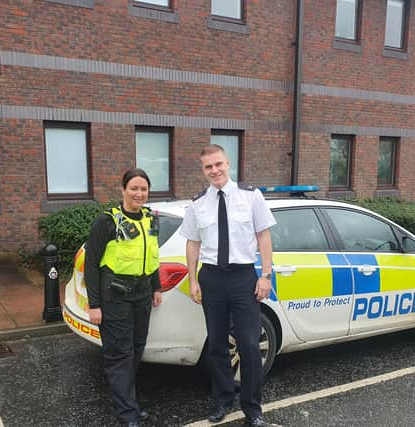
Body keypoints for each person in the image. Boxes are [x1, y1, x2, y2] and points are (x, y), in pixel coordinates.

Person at [179, 145, 275, 427]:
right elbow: (192, 242)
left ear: (228, 163)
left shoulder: (250, 196)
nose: (214, 170)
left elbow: (264, 236)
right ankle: (221, 400)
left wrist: (265, 275)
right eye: (208, 167)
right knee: (218, 345)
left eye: (218, 164)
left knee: (248, 344)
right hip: (212, 278)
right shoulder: (198, 203)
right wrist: (193, 279)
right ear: (203, 170)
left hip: (243, 277)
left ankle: (253, 409)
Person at [84, 168, 163, 427]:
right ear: (123, 190)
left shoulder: (151, 219)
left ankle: (127, 403)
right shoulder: (107, 221)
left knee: (136, 349)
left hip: (142, 296)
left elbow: (152, 258)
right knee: (119, 353)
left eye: (144, 189)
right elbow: (92, 265)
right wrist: (94, 305)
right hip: (114, 296)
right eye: (134, 188)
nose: (139, 193)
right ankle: (127, 415)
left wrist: (157, 287)